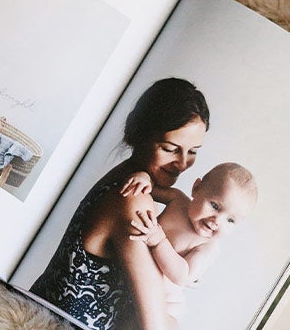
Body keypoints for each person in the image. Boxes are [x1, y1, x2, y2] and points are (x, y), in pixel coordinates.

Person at [29, 77, 210, 330]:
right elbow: (154, 327)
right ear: (141, 135)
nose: (181, 164)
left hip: (33, 314)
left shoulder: (126, 176)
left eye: (193, 151)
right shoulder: (133, 199)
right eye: (170, 148)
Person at [124, 162, 258, 324]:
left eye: (230, 220)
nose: (217, 220)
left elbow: (182, 276)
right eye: (215, 206)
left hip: (165, 304)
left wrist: (160, 241)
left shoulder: (208, 246)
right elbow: (150, 191)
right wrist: (145, 179)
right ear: (196, 188)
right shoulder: (177, 199)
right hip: (133, 282)